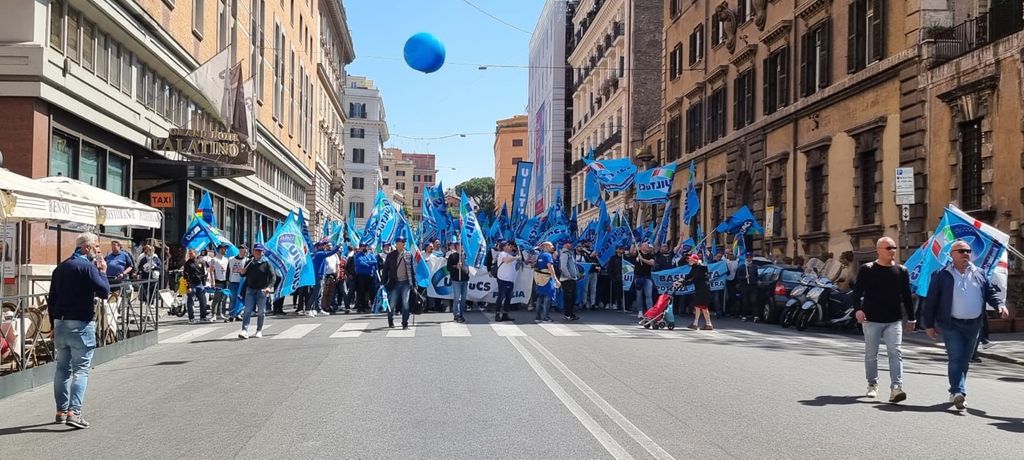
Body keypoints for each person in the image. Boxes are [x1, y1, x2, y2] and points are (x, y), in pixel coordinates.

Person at [923, 239, 1009, 411]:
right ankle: (958, 391)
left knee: (965, 359)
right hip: (951, 323)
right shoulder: (941, 274)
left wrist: (1000, 304)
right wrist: (929, 325)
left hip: (974, 324)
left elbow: (990, 293)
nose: (965, 254)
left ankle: (955, 388)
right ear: (952, 255)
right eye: (961, 251)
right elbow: (931, 301)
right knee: (956, 357)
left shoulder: (980, 273)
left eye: (968, 251)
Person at [48, 232, 110, 429]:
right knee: (81, 370)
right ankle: (74, 412)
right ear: (86, 247)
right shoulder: (87, 267)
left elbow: (52, 300)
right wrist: (102, 271)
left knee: (62, 368)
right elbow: (105, 291)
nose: (98, 251)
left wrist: (52, 324)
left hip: (60, 322)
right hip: (81, 324)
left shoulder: (60, 268)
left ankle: (61, 411)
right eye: (96, 247)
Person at [850, 237, 916, 403]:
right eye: (888, 248)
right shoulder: (867, 269)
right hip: (871, 319)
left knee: (895, 352)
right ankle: (872, 384)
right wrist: (857, 309)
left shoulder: (902, 271)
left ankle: (896, 388)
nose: (892, 250)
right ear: (878, 250)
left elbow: (907, 296)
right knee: (871, 354)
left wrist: (912, 318)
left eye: (894, 247)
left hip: (893, 320)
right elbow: (857, 291)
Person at [237, 244, 276, 339]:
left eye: (259, 251)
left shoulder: (266, 263)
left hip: (262, 290)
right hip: (250, 290)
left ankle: (259, 330)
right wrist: (242, 272)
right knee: (247, 310)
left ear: (262, 252)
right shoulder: (249, 262)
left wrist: (268, 287)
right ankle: (244, 330)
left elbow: (273, 277)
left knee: (261, 311)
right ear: (253, 251)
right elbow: (243, 275)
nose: (257, 253)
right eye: (256, 251)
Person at [382, 236, 416, 329]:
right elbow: (385, 270)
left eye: (404, 241)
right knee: (392, 303)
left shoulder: (409, 255)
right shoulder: (390, 255)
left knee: (405, 303)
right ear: (397, 244)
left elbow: (412, 270)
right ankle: (390, 320)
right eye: (402, 242)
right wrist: (382, 283)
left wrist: (414, 284)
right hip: (394, 282)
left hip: (406, 283)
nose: (404, 243)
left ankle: (405, 322)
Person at [307, 240, 341, 317]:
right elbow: (330, 253)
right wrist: (338, 246)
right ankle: (308, 309)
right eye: (323, 245)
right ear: (319, 246)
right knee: (316, 293)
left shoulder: (319, 253)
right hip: (318, 276)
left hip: (321, 275)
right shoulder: (319, 253)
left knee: (319, 294)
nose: (325, 246)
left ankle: (317, 309)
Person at [681, 254, 713, 330]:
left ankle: (704, 324)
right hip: (699, 288)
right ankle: (702, 324)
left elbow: (695, 278)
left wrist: (684, 284)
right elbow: (689, 276)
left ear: (695, 260)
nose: (689, 261)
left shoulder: (702, 267)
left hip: (704, 289)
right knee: (699, 306)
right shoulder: (694, 267)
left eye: (691, 260)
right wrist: (681, 280)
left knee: (701, 306)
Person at [182, 249, 211, 323]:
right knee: (190, 301)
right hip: (192, 284)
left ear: (196, 254)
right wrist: (188, 287)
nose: (190, 255)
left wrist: (204, 283)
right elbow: (186, 276)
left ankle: (203, 317)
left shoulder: (200, 262)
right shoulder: (187, 263)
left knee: (203, 301)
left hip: (200, 284)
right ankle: (191, 318)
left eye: (191, 253)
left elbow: (203, 273)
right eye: (189, 254)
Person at [494, 241, 520, 322]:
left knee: (508, 298)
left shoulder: (511, 255)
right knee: (501, 297)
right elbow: (506, 261)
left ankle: (505, 314)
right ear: (504, 247)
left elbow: (516, 267)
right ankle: (497, 313)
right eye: (508, 245)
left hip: (510, 280)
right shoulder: (502, 254)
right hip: (503, 279)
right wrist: (516, 257)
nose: (510, 246)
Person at [534, 242, 560, 322]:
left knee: (539, 297)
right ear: (546, 246)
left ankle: (538, 317)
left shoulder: (540, 255)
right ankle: (546, 317)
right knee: (547, 298)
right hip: (547, 278)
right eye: (551, 246)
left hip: (539, 278)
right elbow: (550, 267)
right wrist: (555, 279)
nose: (553, 247)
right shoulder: (548, 255)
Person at [447, 240, 470, 323]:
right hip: (456, 280)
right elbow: (448, 268)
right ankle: (456, 315)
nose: (462, 247)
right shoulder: (452, 256)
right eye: (460, 246)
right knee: (457, 298)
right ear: (456, 247)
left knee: (463, 298)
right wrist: (455, 267)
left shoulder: (465, 256)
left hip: (465, 279)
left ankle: (461, 314)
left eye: (462, 246)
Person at [352, 243, 379, 313]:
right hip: (361, 276)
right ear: (360, 247)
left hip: (370, 275)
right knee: (361, 292)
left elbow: (375, 262)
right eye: (363, 246)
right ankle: (361, 307)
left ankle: (373, 306)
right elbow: (360, 263)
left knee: (372, 291)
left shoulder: (370, 254)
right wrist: (369, 264)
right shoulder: (357, 256)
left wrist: (367, 263)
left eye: (366, 246)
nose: (365, 247)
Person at [558, 240, 581, 321]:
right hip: (567, 279)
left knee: (573, 297)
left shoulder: (570, 254)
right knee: (568, 297)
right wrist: (569, 275)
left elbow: (574, 266)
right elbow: (563, 267)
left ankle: (571, 314)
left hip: (572, 279)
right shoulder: (564, 254)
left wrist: (577, 274)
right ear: (565, 244)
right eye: (569, 243)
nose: (571, 244)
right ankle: (567, 314)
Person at [208, 244, 230, 321]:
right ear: (220, 249)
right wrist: (212, 281)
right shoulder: (214, 259)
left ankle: (220, 313)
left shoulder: (226, 259)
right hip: (218, 281)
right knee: (216, 298)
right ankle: (213, 314)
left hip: (225, 281)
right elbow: (211, 271)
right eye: (224, 249)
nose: (226, 250)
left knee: (222, 298)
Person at [634, 243, 656, 317]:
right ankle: (640, 311)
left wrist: (642, 259)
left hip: (647, 277)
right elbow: (631, 252)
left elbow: (652, 263)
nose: (648, 246)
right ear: (642, 247)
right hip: (638, 277)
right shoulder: (637, 253)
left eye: (648, 246)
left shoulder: (650, 255)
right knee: (639, 295)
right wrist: (633, 243)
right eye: (646, 245)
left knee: (648, 295)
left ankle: (650, 312)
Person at [227, 246, 249, 320]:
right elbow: (228, 270)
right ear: (239, 251)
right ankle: (231, 314)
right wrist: (227, 280)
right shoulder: (231, 259)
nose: (244, 253)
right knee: (232, 299)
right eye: (243, 251)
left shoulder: (247, 260)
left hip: (242, 283)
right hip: (232, 282)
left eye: (245, 252)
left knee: (240, 299)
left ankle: (238, 314)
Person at [738, 257, 759, 322]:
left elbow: (757, 275)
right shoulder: (742, 267)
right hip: (745, 286)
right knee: (745, 301)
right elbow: (738, 277)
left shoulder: (755, 266)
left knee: (754, 301)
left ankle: (755, 316)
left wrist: (758, 281)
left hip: (753, 286)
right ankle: (744, 316)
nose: (749, 259)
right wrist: (744, 277)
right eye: (747, 258)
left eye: (750, 258)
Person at [606, 246, 625, 311]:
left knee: (622, 292)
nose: (621, 250)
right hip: (616, 277)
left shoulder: (624, 258)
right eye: (620, 248)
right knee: (616, 291)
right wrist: (612, 277)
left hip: (623, 277)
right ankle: (617, 304)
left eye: (622, 249)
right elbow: (609, 268)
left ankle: (622, 305)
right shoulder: (613, 258)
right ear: (616, 250)